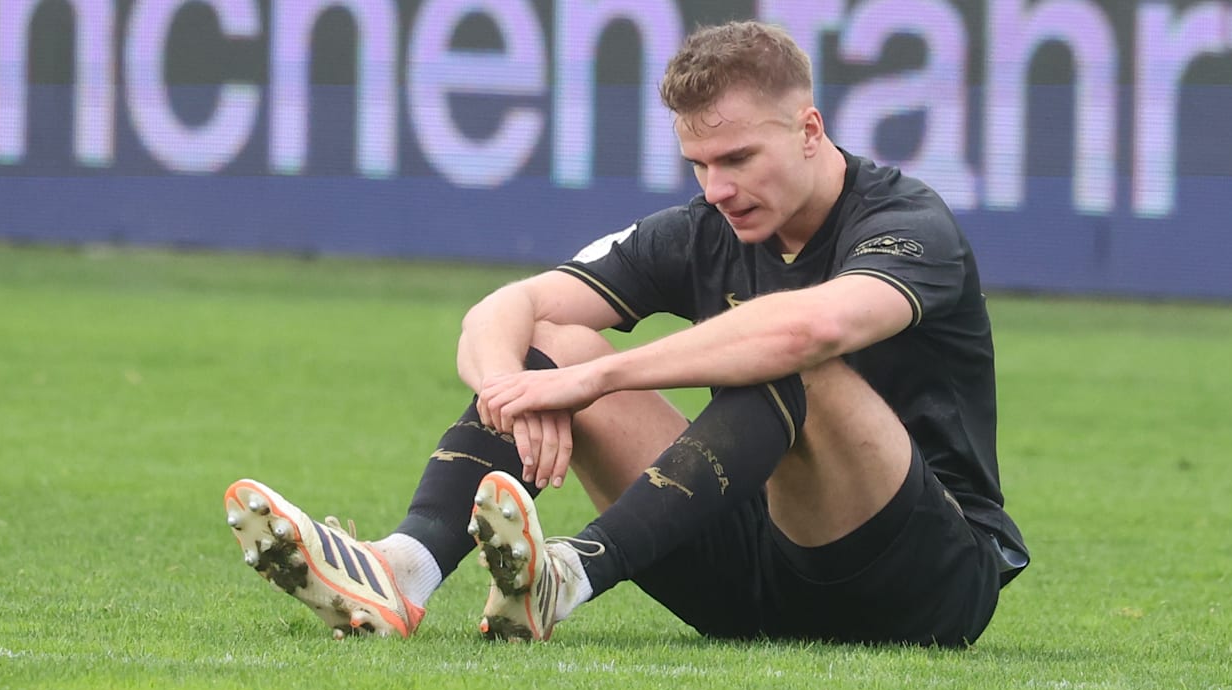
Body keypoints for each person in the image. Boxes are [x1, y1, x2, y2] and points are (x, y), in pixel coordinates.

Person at [223, 19, 1029, 646]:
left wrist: (596, 381)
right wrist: (521, 390)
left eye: (739, 157)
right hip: (752, 579)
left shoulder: (907, 223)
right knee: (557, 339)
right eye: (699, 164)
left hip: (923, 579)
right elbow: (503, 308)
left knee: (787, 359)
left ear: (810, 130)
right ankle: (404, 568)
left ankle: (571, 573)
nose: (718, 188)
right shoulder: (704, 227)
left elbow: (808, 328)